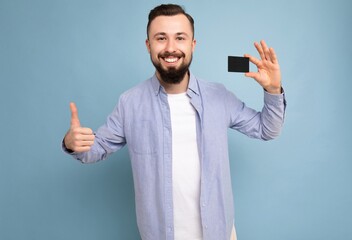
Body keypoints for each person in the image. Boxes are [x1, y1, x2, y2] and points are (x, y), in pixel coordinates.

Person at [62, 4, 286, 240]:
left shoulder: (219, 96)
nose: (170, 48)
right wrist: (73, 144)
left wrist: (273, 90)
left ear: (192, 44)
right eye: (161, 38)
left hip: (219, 232)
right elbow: (96, 150)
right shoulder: (130, 103)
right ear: (148, 45)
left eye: (180, 38)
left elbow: (267, 129)